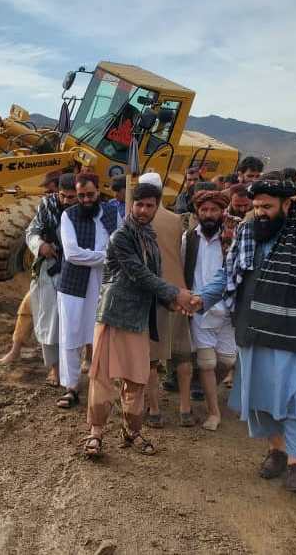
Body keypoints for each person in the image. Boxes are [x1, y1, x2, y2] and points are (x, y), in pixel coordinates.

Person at [196, 173, 296, 493]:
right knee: (265, 396)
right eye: (256, 207)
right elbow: (227, 275)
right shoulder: (247, 235)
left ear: (287, 204)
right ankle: (277, 451)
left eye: (267, 206)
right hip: (257, 330)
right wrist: (200, 298)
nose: (260, 213)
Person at [82, 183, 199, 457]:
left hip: (139, 319)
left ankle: (131, 432)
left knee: (136, 380)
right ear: (131, 205)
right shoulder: (121, 236)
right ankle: (95, 433)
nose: (144, 210)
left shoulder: (151, 239)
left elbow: (152, 281)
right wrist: (176, 293)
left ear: (157, 207)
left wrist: (171, 302)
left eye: (150, 205)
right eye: (139, 204)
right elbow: (138, 274)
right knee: (102, 377)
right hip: (113, 314)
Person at [55, 172, 118, 409]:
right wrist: (106, 257)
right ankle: (71, 388)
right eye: (81, 196)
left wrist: (108, 256)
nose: (85, 200)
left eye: (90, 194)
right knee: (70, 336)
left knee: (103, 334)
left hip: (105, 285)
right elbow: (72, 254)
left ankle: (101, 386)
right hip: (73, 286)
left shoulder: (112, 213)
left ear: (99, 192)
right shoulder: (68, 216)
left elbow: (119, 243)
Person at [135, 173, 193, 429]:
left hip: (152, 295)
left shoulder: (134, 220)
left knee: (151, 358)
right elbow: (181, 256)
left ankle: (155, 410)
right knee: (181, 355)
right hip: (179, 291)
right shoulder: (177, 221)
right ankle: (185, 409)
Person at [183, 190, 237, 431]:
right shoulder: (189, 238)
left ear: (222, 211)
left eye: (214, 210)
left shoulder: (233, 238)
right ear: (197, 212)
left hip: (227, 308)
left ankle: (207, 389)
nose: (208, 214)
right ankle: (213, 412)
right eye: (204, 210)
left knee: (227, 360)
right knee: (206, 362)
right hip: (198, 308)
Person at [0, 171, 63, 365]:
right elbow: (32, 232)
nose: (48, 194)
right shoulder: (45, 210)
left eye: (51, 190)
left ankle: (87, 358)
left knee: (79, 317)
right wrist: (40, 245)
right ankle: (15, 350)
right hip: (45, 271)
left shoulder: (80, 212)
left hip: (71, 274)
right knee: (27, 308)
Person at [19, 173, 78, 383]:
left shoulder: (86, 211)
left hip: (77, 272)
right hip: (50, 271)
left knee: (74, 322)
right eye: (63, 196)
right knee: (49, 322)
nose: (66, 201)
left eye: (72, 197)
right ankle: (55, 368)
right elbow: (31, 232)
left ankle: (78, 365)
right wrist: (40, 245)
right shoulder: (47, 206)